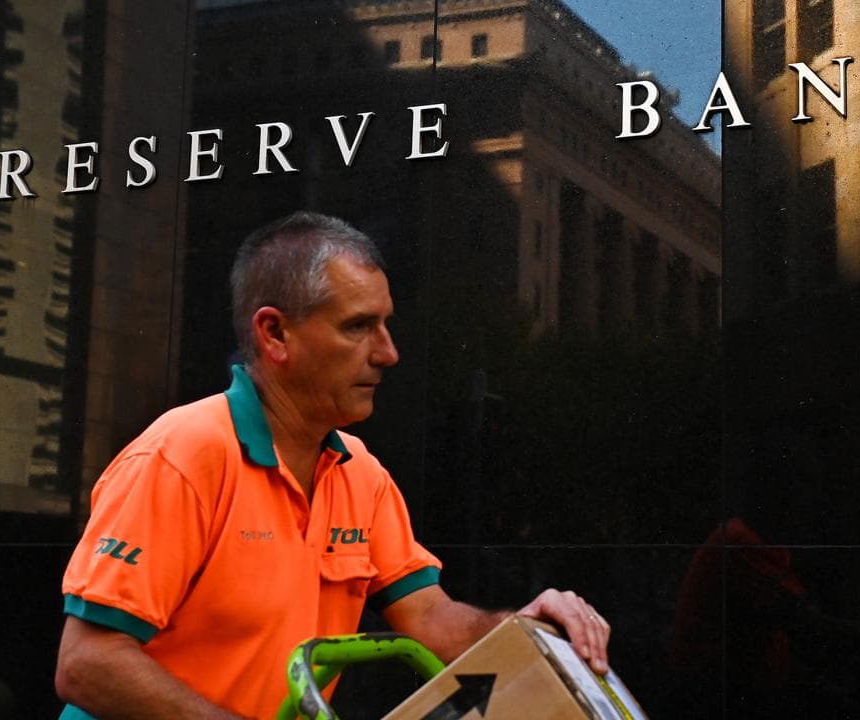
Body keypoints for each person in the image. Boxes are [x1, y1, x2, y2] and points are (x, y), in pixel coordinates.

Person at [54, 212, 610, 720]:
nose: (388, 352)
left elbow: (430, 618)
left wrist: (529, 628)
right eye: (358, 326)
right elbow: (85, 662)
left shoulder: (360, 472)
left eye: (386, 324)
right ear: (274, 334)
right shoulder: (182, 455)